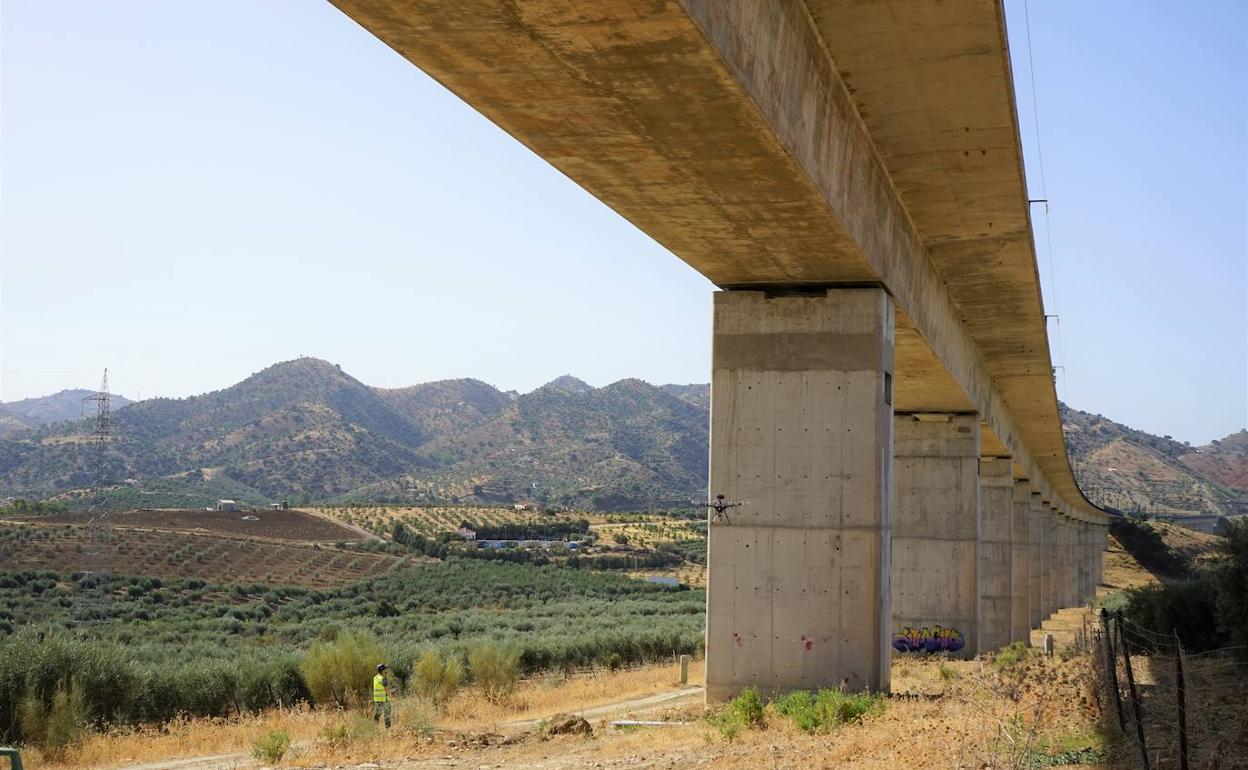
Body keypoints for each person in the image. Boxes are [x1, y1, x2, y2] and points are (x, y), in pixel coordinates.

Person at [372, 663, 392, 728]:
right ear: (382, 671)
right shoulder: (384, 679)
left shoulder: (375, 678)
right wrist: (392, 693)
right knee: (387, 714)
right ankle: (388, 729)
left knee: (377, 714)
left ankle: (374, 728)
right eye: (385, 669)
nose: (386, 671)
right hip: (384, 700)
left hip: (377, 700)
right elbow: (386, 690)